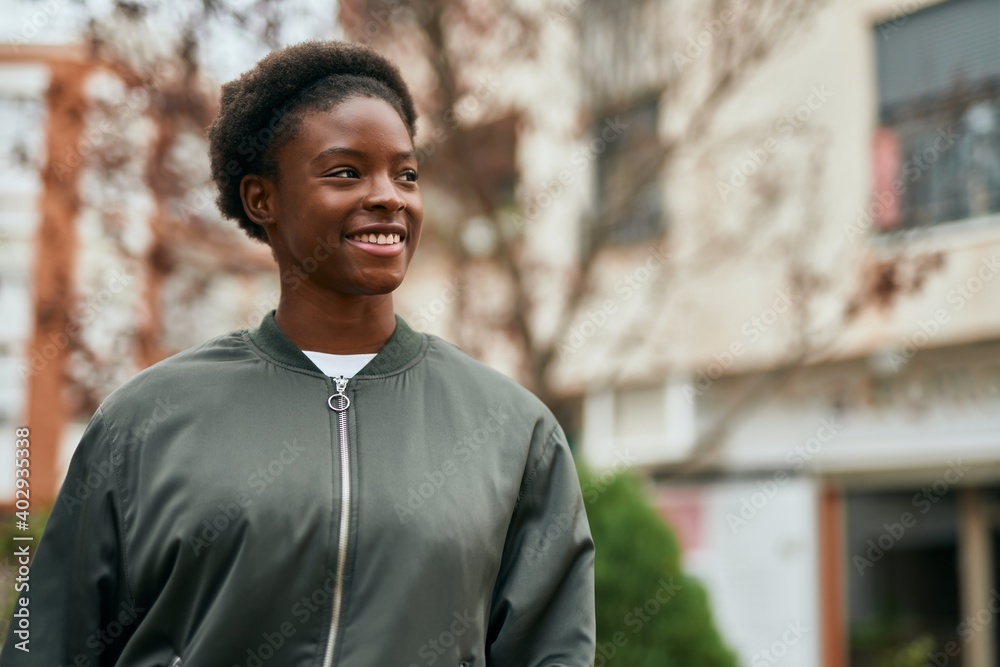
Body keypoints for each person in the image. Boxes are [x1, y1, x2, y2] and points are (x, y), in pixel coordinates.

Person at [0, 40, 595, 666]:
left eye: (406, 173)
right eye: (346, 172)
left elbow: (551, 651)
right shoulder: (146, 419)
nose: (389, 195)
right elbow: (46, 645)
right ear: (263, 199)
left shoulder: (511, 430)